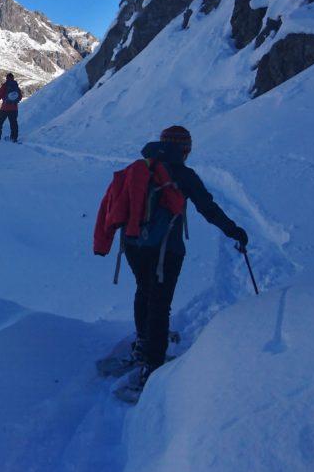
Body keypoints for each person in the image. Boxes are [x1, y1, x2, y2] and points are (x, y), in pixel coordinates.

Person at [94, 125, 249, 393]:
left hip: (133, 244)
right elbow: (207, 208)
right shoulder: (183, 174)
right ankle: (152, 366)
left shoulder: (139, 168)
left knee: (144, 291)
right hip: (167, 249)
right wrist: (233, 230)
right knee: (160, 302)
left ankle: (143, 346)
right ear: (184, 150)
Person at [0, 73, 22, 141]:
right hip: (14, 108)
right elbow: (20, 97)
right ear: (13, 78)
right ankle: (14, 138)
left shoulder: (5, 86)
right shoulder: (16, 86)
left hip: (5, 108)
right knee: (13, 124)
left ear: (6, 78)